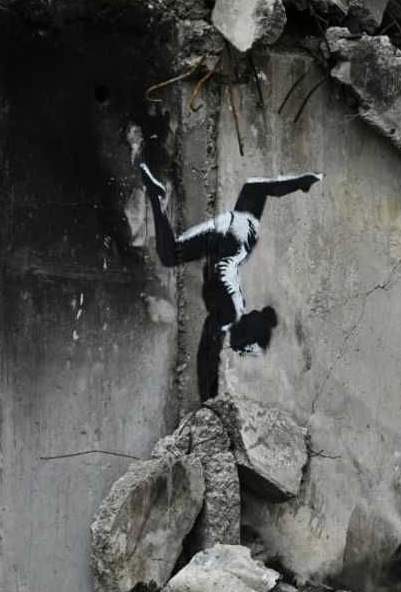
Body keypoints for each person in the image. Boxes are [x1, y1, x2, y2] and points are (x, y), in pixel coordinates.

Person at [127, 124, 323, 401]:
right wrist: (209, 402)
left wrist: (300, 182)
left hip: (238, 229)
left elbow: (255, 188)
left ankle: (156, 196)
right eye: (244, 349)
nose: (239, 352)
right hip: (229, 241)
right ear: (243, 335)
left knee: (252, 190)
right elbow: (205, 358)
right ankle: (157, 199)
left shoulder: (235, 309)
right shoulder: (227, 317)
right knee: (169, 255)